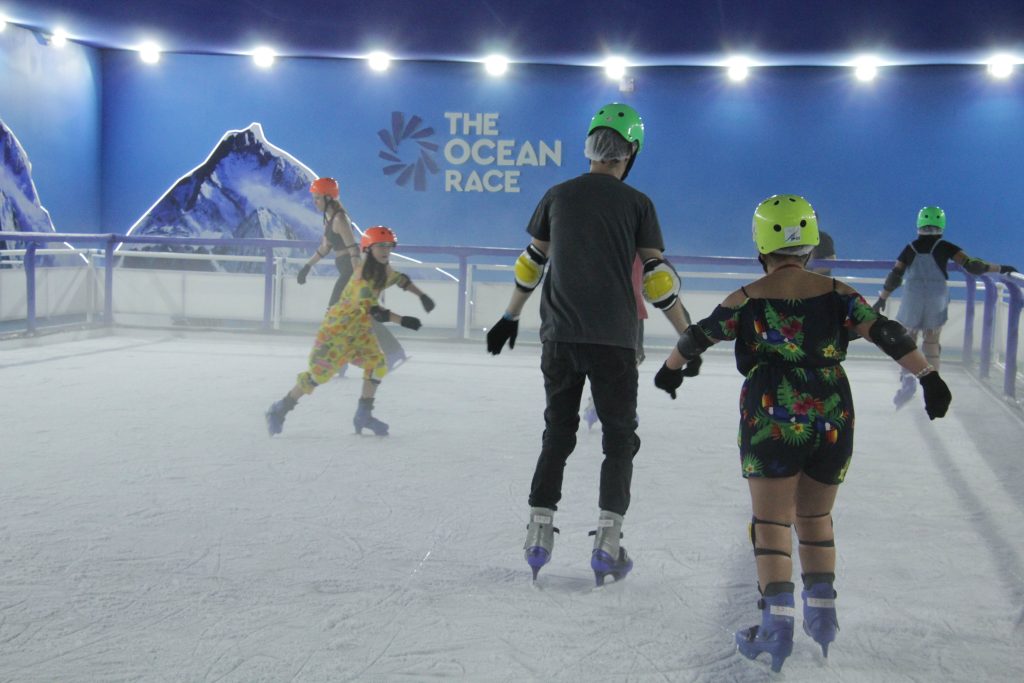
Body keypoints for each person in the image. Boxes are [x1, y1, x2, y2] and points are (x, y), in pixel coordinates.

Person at [653, 195, 951, 672]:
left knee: (772, 525)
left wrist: (670, 371)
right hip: (833, 412)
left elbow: (698, 336)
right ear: (810, 245)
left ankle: (776, 627)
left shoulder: (747, 297)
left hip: (770, 415)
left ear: (761, 246)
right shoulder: (838, 294)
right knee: (815, 518)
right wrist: (929, 378)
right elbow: (888, 332)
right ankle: (823, 616)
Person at [486, 103, 695, 585]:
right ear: (631, 151)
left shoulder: (557, 195)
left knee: (557, 433)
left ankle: (539, 533)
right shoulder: (638, 204)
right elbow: (658, 280)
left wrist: (508, 316)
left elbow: (531, 264)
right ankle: (607, 540)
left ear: (592, 147)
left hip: (559, 336)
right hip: (615, 342)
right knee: (619, 439)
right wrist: (687, 331)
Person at [265, 226, 434, 437]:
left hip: (360, 329)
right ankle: (279, 409)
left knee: (377, 365)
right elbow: (376, 311)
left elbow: (400, 279)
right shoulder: (362, 275)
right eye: (380, 246)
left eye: (389, 246)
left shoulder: (384, 268)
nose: (385, 251)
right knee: (319, 374)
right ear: (368, 248)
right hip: (338, 330)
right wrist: (403, 320)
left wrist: (421, 295)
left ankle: (363, 415)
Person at [873, 206, 1017, 407]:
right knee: (931, 344)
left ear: (919, 224)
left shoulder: (910, 248)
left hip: (913, 298)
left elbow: (895, 275)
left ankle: (907, 376)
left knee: (908, 341)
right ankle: (933, 385)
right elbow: (973, 265)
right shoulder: (945, 246)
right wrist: (1001, 268)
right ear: (942, 225)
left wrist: (883, 297)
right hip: (935, 298)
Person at [297, 178, 414, 372]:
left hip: (350, 272)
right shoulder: (329, 218)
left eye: (317, 198)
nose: (314, 202)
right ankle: (392, 352)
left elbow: (353, 249)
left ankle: (341, 361)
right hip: (347, 271)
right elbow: (325, 248)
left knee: (334, 315)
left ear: (328, 197)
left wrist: (357, 278)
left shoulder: (340, 218)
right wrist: (307, 267)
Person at [581, 255, 649, 429]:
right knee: (607, 360)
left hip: (632, 312)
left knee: (630, 361)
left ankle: (620, 404)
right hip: (607, 310)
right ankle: (600, 402)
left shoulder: (642, 246)